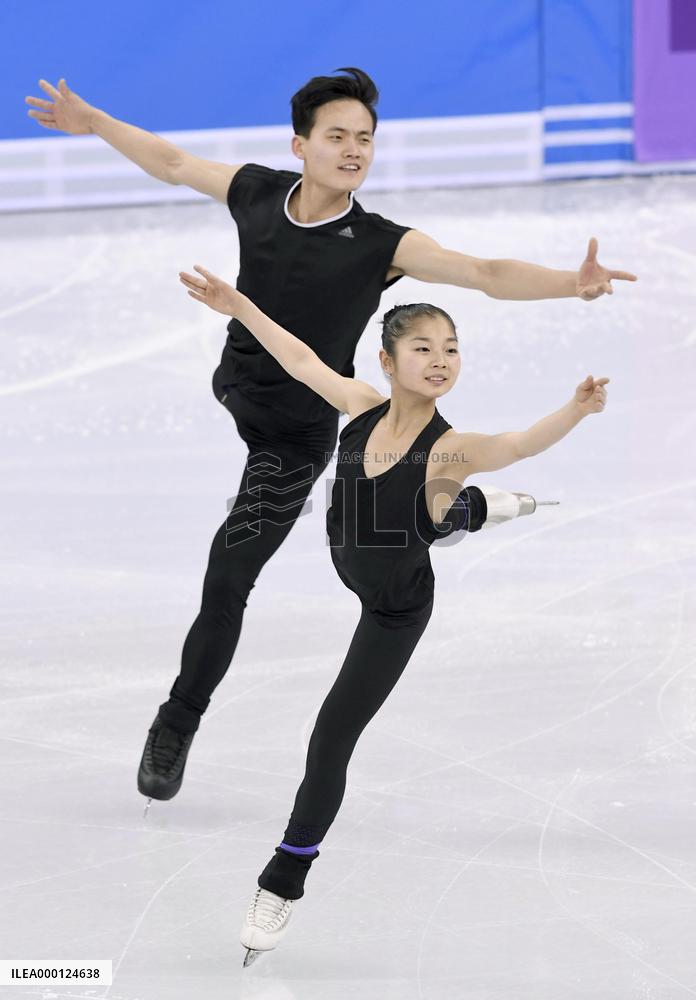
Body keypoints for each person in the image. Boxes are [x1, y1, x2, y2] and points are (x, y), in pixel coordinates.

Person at [25, 68, 634, 804]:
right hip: (241, 386)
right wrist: (94, 121)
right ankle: (455, 508)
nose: (353, 151)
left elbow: (481, 271)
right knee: (357, 518)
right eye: (337, 136)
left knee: (230, 571)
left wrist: (572, 282)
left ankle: (176, 720)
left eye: (365, 140)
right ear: (301, 145)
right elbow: (175, 162)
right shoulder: (257, 192)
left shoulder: (380, 243)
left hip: (298, 432)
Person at [177, 263, 609, 965]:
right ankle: (473, 510)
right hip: (366, 550)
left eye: (452, 349)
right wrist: (237, 305)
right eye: (423, 348)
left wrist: (575, 410)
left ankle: (284, 878)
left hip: (394, 605)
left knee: (331, 736)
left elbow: (518, 444)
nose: (441, 360)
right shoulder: (360, 407)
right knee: (439, 510)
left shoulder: (453, 446)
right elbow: (299, 359)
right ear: (387, 360)